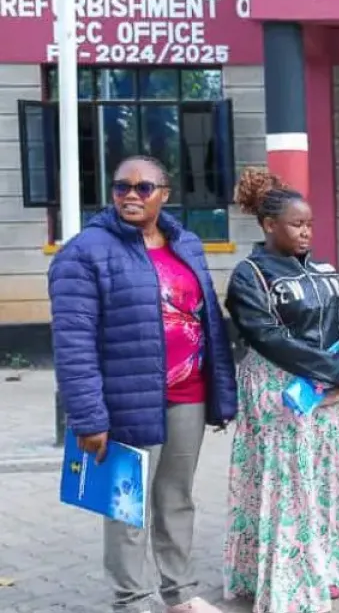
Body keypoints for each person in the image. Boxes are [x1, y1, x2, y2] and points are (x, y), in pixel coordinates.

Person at [48, 155, 237, 613]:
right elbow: (73, 342)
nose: (131, 195)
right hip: (126, 400)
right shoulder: (85, 252)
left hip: (188, 394)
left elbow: (209, 321)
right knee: (125, 503)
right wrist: (89, 417)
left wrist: (222, 393)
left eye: (143, 187)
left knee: (176, 497)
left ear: (164, 195)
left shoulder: (185, 244)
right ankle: (132, 599)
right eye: (121, 187)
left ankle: (180, 593)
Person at [222, 168, 339, 612]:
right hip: (279, 394)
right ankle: (288, 577)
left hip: (325, 392)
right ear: (269, 225)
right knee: (288, 484)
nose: (306, 232)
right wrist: (333, 370)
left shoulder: (322, 270)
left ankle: (323, 565)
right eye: (296, 224)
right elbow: (267, 337)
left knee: (322, 479)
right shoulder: (249, 276)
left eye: (309, 224)